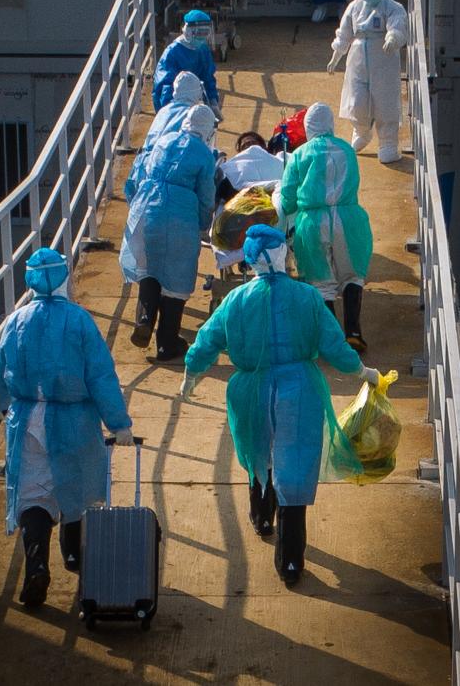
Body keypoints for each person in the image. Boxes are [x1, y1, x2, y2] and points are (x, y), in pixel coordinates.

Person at [179, 225, 379, 586]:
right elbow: (335, 347)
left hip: (250, 389)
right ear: (282, 255)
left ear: (250, 260)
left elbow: (207, 340)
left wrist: (191, 374)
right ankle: (290, 560)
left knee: (258, 452)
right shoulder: (307, 297)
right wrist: (363, 372)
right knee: (295, 464)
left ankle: (261, 516)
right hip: (299, 388)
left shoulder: (236, 300)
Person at [0, 248, 133, 608]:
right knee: (77, 491)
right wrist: (118, 423)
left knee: (33, 495)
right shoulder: (79, 320)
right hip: (73, 419)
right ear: (64, 278)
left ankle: (37, 565)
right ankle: (74, 557)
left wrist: (0, 404)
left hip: (27, 420)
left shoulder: (15, 321)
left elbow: (0, 374)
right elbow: (100, 376)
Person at [120, 105, 216, 361]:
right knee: (177, 275)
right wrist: (204, 224)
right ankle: (167, 342)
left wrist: (134, 201)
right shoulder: (204, 155)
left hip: (146, 205)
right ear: (207, 129)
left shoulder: (164, 140)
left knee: (148, 268)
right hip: (179, 213)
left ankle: (144, 318)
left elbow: (138, 171)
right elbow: (206, 195)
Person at [278, 102, 373, 352]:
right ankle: (353, 332)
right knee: (352, 275)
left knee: (320, 280)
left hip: (313, 221)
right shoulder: (347, 150)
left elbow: (288, 195)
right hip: (349, 218)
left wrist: (286, 210)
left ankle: (331, 340)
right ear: (331, 124)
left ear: (308, 127)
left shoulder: (300, 154)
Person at [327, 0, 408, 164]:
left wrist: (392, 37)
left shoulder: (392, 6)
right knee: (357, 99)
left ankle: (388, 143)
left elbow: (398, 24)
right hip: (358, 58)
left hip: (383, 59)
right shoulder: (354, 7)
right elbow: (344, 34)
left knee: (385, 100)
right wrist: (336, 56)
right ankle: (362, 130)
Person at [125, 70, 204, 203]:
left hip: (141, 168)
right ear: (196, 92)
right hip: (162, 171)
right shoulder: (191, 116)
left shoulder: (164, 110)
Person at [153, 10, 222, 119]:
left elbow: (208, 78)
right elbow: (165, 86)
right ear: (189, 31)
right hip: (173, 103)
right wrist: (170, 113)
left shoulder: (202, 49)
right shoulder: (172, 53)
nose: (202, 37)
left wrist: (213, 102)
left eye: (206, 33)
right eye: (200, 33)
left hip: (194, 101)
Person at [215, 131, 285, 204]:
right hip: (248, 199)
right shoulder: (234, 168)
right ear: (240, 152)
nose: (249, 146)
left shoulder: (278, 159)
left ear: (263, 147)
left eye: (252, 143)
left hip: (276, 193)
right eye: (244, 145)